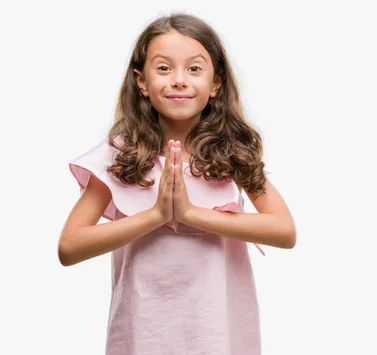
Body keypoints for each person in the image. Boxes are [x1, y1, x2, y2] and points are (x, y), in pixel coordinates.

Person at [57, 13, 296, 355]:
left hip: (218, 336)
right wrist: (156, 215)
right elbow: (70, 246)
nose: (179, 80)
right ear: (141, 81)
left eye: (195, 69)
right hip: (142, 335)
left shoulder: (230, 154)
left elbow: (284, 230)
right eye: (164, 68)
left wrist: (189, 213)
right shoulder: (120, 157)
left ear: (215, 83)